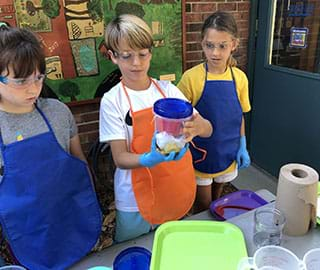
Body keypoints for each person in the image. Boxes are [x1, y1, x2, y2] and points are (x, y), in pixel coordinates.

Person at [100, 14, 212, 243]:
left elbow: (208, 128)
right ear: (112, 57)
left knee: (170, 245)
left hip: (173, 187)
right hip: (134, 198)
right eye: (126, 56)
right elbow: (120, 158)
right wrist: (149, 159)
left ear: (150, 53)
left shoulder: (168, 91)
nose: (136, 63)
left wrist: (196, 127)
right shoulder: (113, 100)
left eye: (142, 54)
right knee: (132, 250)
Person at [0, 26, 102, 269]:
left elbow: (79, 162)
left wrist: (90, 202)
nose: (33, 88)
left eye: (38, 77)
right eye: (21, 80)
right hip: (29, 232)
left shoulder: (57, 112)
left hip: (72, 217)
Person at [177, 11, 251, 213]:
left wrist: (242, 144)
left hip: (228, 152)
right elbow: (177, 119)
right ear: (202, 43)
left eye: (222, 46)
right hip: (200, 155)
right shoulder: (191, 78)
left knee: (217, 202)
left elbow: (239, 115)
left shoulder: (240, 78)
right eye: (210, 45)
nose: (215, 53)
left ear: (233, 45)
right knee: (202, 207)